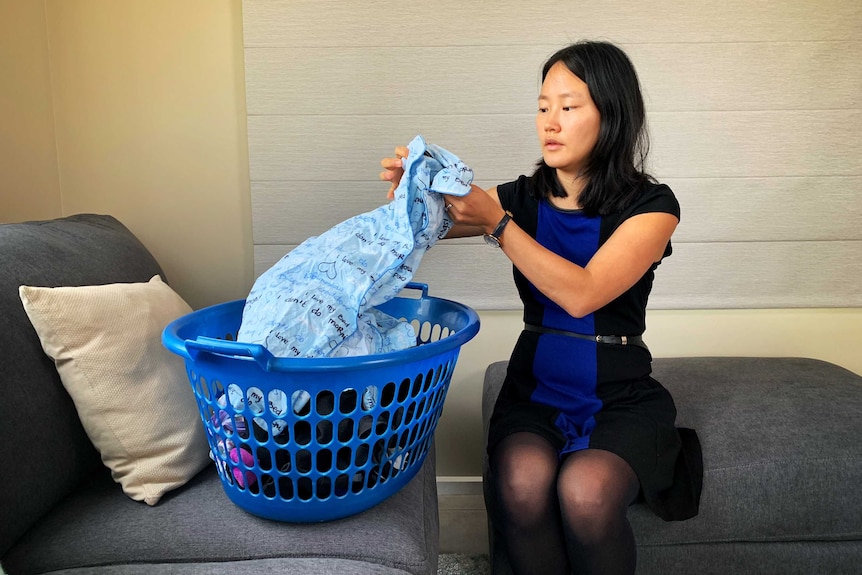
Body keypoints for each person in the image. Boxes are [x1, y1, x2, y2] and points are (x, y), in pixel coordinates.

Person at [380, 40, 702, 575]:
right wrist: (409, 193)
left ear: (611, 114)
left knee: (588, 494)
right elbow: (424, 226)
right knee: (521, 485)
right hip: (536, 387)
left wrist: (497, 223)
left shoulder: (653, 206)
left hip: (618, 391)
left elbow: (583, 293)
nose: (550, 121)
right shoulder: (523, 195)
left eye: (569, 107)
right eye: (542, 105)